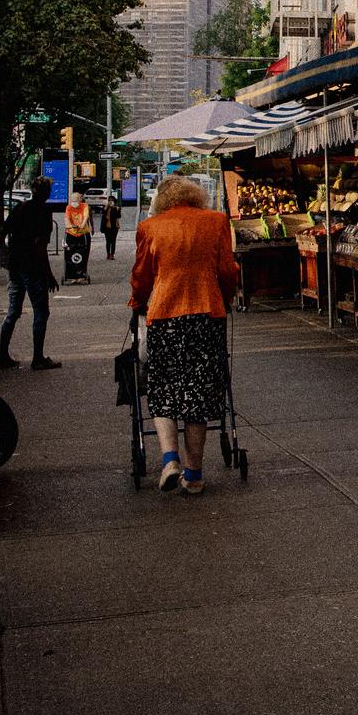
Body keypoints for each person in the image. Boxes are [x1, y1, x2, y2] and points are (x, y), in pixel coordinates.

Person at [129, 176, 238, 494]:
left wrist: (137, 303)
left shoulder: (151, 227)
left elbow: (141, 276)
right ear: (195, 195)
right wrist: (226, 297)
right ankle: (194, 475)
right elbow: (227, 270)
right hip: (206, 314)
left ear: (162, 200)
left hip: (165, 315)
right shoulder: (216, 221)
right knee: (199, 395)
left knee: (162, 387)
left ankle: (170, 460)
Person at [0, 177, 62, 370]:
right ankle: (38, 357)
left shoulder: (20, 208)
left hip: (15, 266)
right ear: (46, 192)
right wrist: (49, 274)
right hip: (33, 268)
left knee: (13, 311)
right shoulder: (44, 213)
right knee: (41, 311)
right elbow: (40, 247)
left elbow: (2, 233)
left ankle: (3, 355)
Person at [64, 192, 92, 283]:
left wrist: (82, 225)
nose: (74, 202)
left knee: (83, 253)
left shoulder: (84, 206)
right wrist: (69, 226)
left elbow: (85, 216)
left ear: (80, 199)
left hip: (83, 233)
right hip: (71, 233)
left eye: (76, 200)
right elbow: (67, 218)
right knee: (69, 253)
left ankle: (81, 274)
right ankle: (71, 275)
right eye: (72, 200)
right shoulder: (68, 207)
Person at [101, 193, 121, 260]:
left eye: (112, 201)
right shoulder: (106, 208)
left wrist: (115, 209)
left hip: (114, 227)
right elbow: (103, 215)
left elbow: (118, 216)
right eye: (109, 201)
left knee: (113, 241)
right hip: (107, 227)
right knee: (108, 241)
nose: (110, 202)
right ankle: (108, 254)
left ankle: (112, 254)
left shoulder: (117, 208)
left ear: (114, 202)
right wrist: (106, 207)